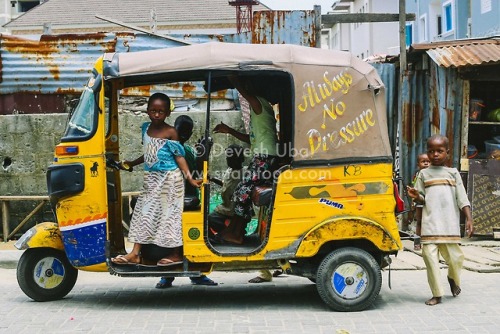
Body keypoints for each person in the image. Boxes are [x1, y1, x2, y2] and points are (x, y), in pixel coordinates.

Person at [111, 92, 201, 266]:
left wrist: (190, 179)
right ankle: (135, 253)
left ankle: (176, 253)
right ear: (147, 111)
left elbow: (179, 157)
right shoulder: (145, 128)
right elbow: (149, 154)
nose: (157, 114)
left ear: (168, 113)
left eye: (161, 111)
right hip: (151, 179)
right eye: (153, 110)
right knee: (142, 213)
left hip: (170, 180)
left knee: (170, 216)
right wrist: (132, 163)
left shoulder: (171, 132)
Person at [407, 134, 474, 306]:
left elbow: (462, 198)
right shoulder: (423, 174)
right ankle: (437, 294)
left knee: (456, 258)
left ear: (447, 153)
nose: (435, 154)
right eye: (431, 151)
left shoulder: (453, 173)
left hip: (449, 225)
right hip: (430, 226)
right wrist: (416, 197)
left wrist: (469, 218)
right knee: (430, 259)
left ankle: (453, 277)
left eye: (439, 151)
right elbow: (421, 199)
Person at [212, 75, 278, 245]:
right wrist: (229, 130)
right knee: (243, 193)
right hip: (262, 157)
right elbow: (251, 139)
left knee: (241, 192)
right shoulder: (260, 110)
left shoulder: (259, 104)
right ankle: (234, 231)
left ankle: (237, 233)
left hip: (265, 157)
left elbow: (243, 91)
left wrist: (232, 78)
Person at [156, 115, 218, 288]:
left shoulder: (184, 151)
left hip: (184, 199)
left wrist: (202, 157)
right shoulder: (175, 150)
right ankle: (169, 275)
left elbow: (196, 174)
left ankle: (190, 275)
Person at [408, 153, 430, 242]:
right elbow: (415, 187)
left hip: (429, 201)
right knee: (419, 221)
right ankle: (417, 241)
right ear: (418, 164)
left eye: (428, 162)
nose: (426, 164)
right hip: (419, 201)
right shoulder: (417, 174)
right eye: (423, 162)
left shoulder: (431, 174)